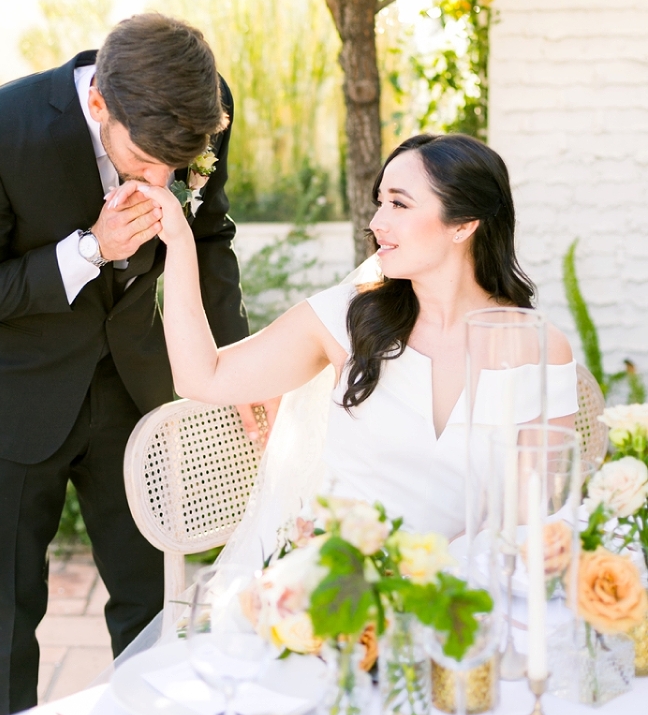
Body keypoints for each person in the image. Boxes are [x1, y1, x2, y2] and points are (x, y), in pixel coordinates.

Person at [0, 13, 261, 715]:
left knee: (150, 603)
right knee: (9, 613)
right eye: (145, 159)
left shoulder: (201, 106)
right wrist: (89, 249)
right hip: (16, 402)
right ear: (99, 103)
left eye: (179, 164)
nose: (164, 179)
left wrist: (237, 369)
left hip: (134, 396)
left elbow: (210, 240)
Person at [125, 132, 577, 563]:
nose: (376, 223)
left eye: (399, 204)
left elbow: (533, 513)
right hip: (342, 583)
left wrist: (440, 571)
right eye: (380, 202)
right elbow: (202, 378)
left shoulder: (540, 349)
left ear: (463, 225)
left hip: (471, 589)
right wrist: (180, 242)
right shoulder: (346, 318)